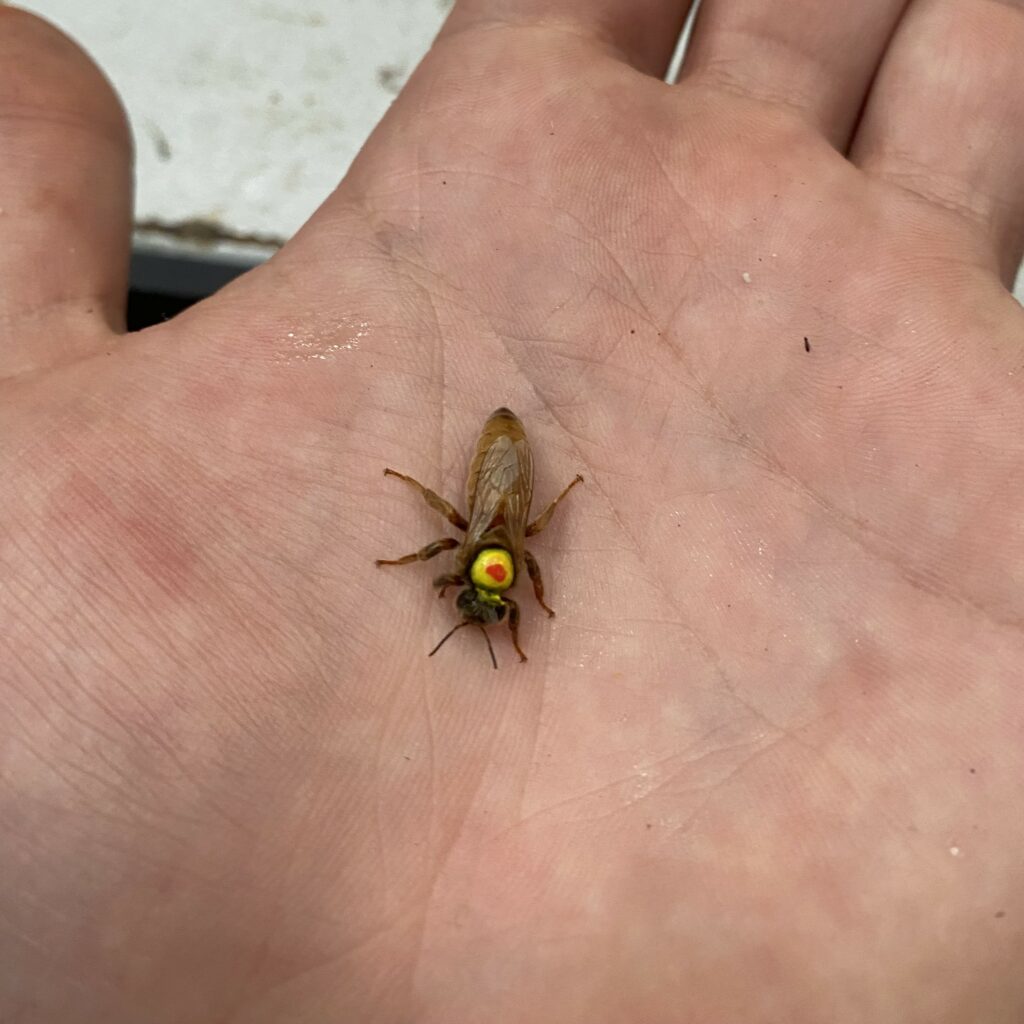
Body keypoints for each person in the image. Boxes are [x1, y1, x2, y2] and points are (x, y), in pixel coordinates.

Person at [2, 1, 1022, 1020]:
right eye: (488, 596)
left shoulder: (497, 554)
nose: (483, 594)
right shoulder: (498, 555)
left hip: (504, 460)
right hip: (502, 457)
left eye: (483, 594)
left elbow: (480, 561)